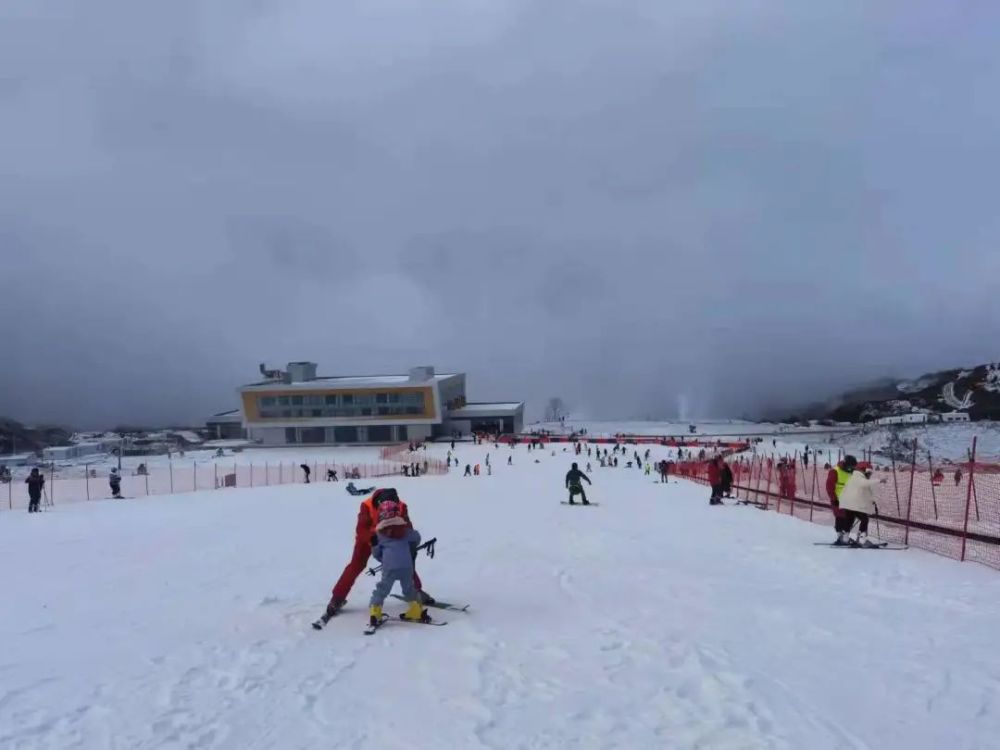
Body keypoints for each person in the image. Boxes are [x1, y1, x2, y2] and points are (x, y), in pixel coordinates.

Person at [321, 488, 431, 623]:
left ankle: (417, 591)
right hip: (369, 538)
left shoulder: (402, 506)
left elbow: (408, 526)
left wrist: (410, 547)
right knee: (356, 565)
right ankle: (337, 598)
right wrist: (372, 539)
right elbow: (361, 529)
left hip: (392, 535)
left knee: (405, 560)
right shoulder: (366, 505)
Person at [368, 499, 429, 625]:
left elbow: (376, 554)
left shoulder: (380, 535)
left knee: (382, 589)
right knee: (409, 588)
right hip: (407, 566)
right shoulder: (405, 531)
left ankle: (375, 611)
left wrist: (377, 550)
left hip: (389, 567)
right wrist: (410, 546)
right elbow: (416, 538)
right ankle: (416, 610)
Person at [837, 463, 880, 547]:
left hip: (847, 503)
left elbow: (866, 494)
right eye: (869, 473)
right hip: (854, 504)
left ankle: (845, 538)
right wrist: (879, 480)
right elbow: (864, 484)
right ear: (864, 470)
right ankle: (861, 540)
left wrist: (873, 503)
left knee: (850, 520)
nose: (870, 475)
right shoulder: (859, 478)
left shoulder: (853, 477)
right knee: (864, 519)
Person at [826, 455, 857, 545]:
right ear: (846, 464)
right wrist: (834, 499)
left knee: (850, 518)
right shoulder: (835, 471)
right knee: (841, 517)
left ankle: (844, 536)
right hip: (838, 500)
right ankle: (841, 536)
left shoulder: (852, 472)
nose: (852, 468)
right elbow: (829, 487)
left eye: (853, 467)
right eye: (851, 466)